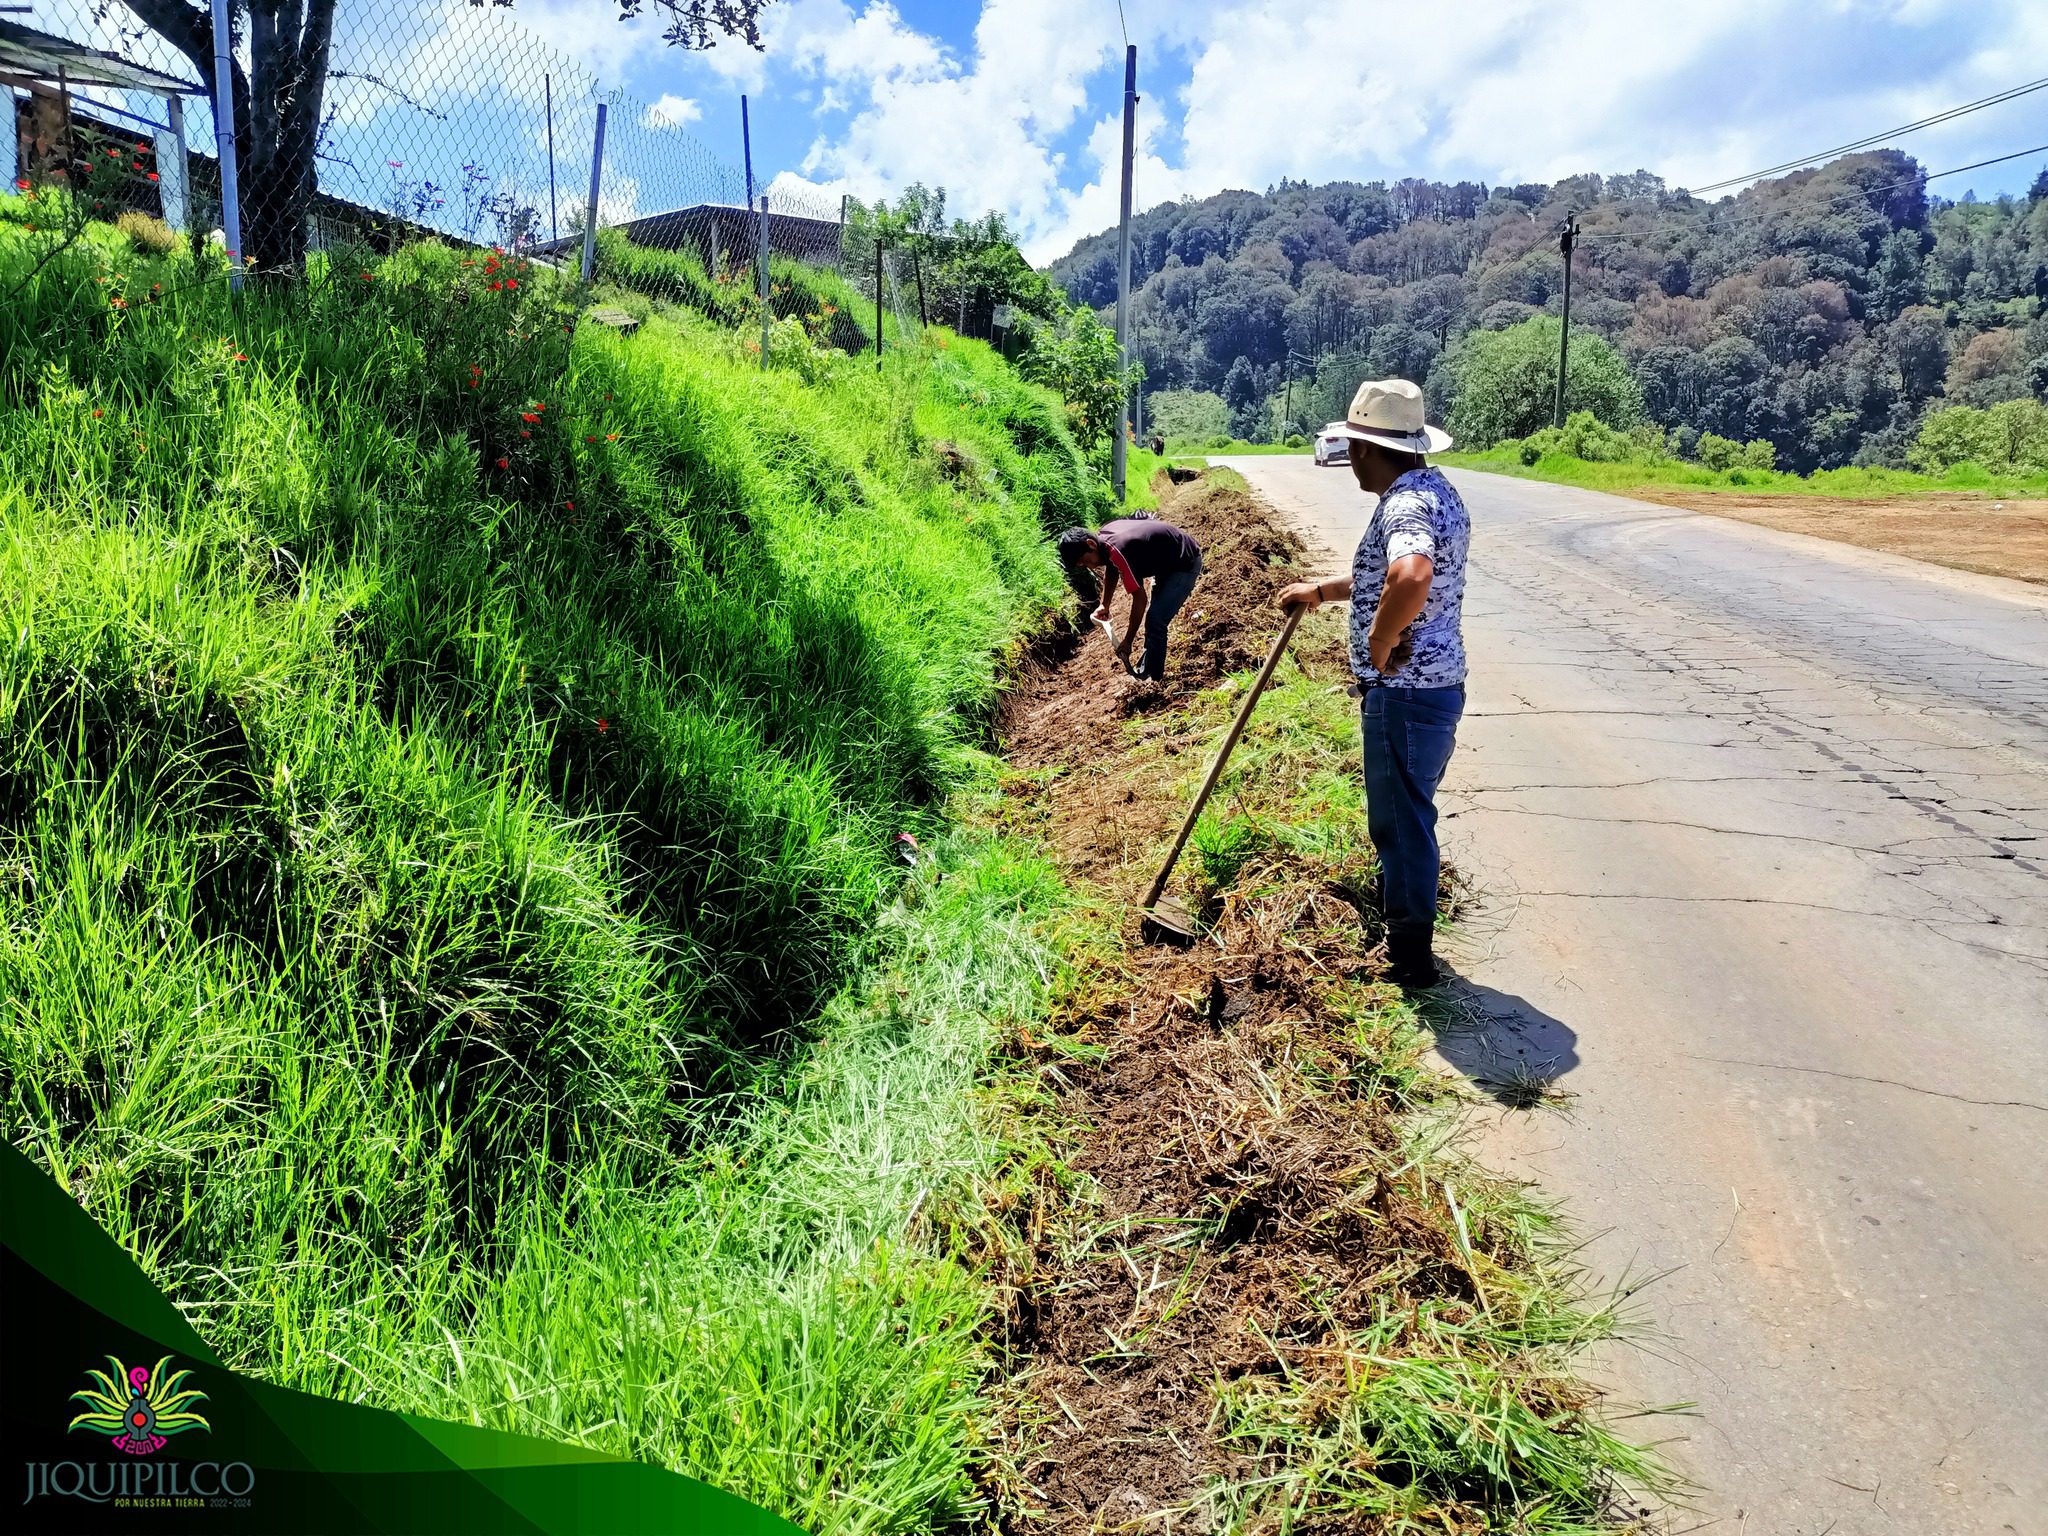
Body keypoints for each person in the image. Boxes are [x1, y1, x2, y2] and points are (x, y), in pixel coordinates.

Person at [1278, 378, 1468, 989]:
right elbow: (1385, 577)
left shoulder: (1406, 504)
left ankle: (1410, 956)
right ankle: (1401, 920)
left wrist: (1379, 643)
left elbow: (1410, 577)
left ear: (1369, 449)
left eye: (1355, 447)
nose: (1351, 460)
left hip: (1405, 693)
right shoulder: (1436, 490)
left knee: (1401, 821)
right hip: (1433, 689)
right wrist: (1324, 592)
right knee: (1408, 812)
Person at [1056, 515, 1204, 682]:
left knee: (1156, 620)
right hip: (1167, 562)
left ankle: (1154, 680)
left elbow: (1140, 599)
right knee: (1154, 620)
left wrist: (1128, 641)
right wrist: (1104, 605)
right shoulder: (1106, 538)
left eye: (1085, 561)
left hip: (1184, 562)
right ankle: (1148, 670)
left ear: (1091, 544)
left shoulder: (1119, 549)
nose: (1089, 566)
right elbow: (1112, 568)